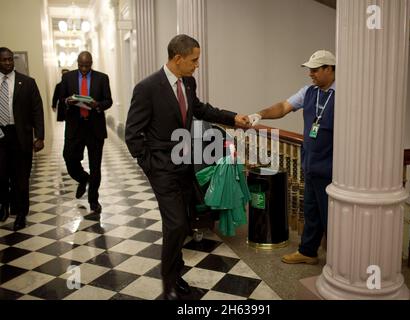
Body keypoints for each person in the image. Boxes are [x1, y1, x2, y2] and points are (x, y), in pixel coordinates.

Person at [125, 34, 249, 300]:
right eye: (194, 60)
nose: (197, 65)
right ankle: (168, 285)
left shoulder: (188, 83)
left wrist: (233, 118)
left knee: (182, 223)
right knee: (176, 224)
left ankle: (176, 274)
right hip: (162, 169)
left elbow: (201, 109)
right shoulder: (147, 88)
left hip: (185, 165)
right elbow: (132, 133)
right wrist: (150, 166)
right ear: (178, 58)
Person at [248, 50, 336, 265]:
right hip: (311, 164)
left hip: (332, 167)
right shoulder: (308, 92)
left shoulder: (344, 95)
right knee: (311, 211)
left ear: (330, 69)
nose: (311, 74)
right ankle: (308, 251)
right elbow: (284, 107)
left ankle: (341, 264)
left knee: (332, 218)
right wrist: (259, 115)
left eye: (315, 70)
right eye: (310, 70)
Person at [59, 51, 112, 214]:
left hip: (94, 127)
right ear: (77, 63)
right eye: (81, 65)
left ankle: (93, 200)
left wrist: (97, 105)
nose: (84, 69)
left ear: (91, 63)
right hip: (75, 127)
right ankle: (83, 178)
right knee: (69, 158)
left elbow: (108, 100)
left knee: (96, 167)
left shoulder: (102, 78)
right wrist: (68, 101)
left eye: (87, 65)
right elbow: (61, 99)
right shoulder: (67, 78)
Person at [0, 47, 45, 230]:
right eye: (4, 60)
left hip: (20, 137)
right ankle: (4, 205)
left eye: (10, 59)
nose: (8, 63)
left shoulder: (27, 82)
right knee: (2, 175)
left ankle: (21, 213)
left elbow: (37, 111)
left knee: (21, 178)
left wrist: (39, 136)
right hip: (0, 136)